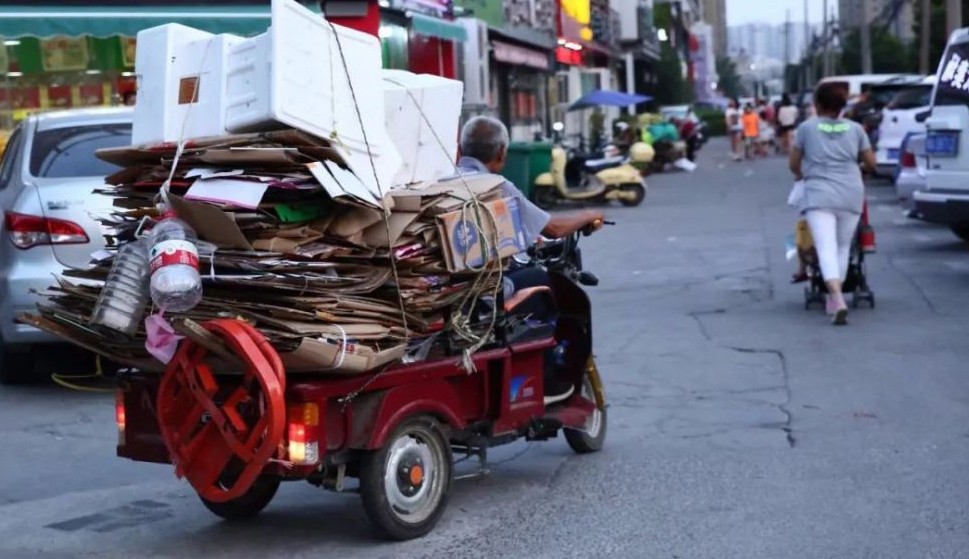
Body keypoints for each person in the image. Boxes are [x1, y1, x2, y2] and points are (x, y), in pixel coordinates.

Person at [456, 116, 605, 401]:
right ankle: (548, 379)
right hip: (484, 291)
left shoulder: (442, 180)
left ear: (461, 151)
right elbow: (552, 228)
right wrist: (588, 215)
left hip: (451, 288)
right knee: (543, 281)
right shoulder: (496, 186)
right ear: (501, 155)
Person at [789, 82, 876, 325]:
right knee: (842, 248)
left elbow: (794, 164)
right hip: (851, 193)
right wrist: (858, 168)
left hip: (819, 194)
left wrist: (800, 174)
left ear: (817, 105)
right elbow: (871, 163)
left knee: (825, 247)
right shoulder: (856, 129)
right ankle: (834, 299)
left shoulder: (806, 128)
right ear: (841, 106)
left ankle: (836, 297)